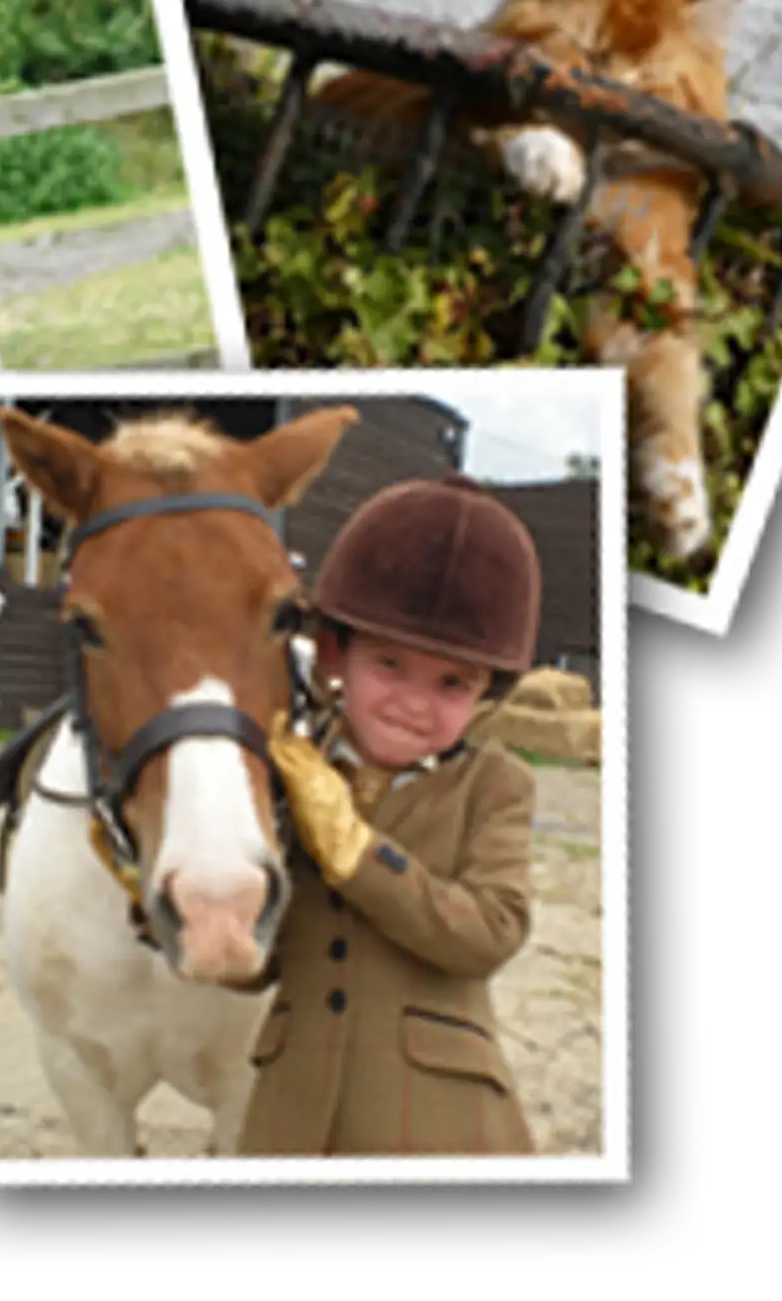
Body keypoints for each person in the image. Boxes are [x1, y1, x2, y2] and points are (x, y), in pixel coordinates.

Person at [240, 474, 543, 1157]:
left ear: (486, 691)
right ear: (336, 652)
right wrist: (160, 900)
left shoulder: (495, 784)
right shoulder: (296, 767)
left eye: (451, 682)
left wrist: (352, 849)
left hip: (441, 1121)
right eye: (390, 662)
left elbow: (493, 930)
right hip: (291, 1115)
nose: (414, 700)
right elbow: (256, 964)